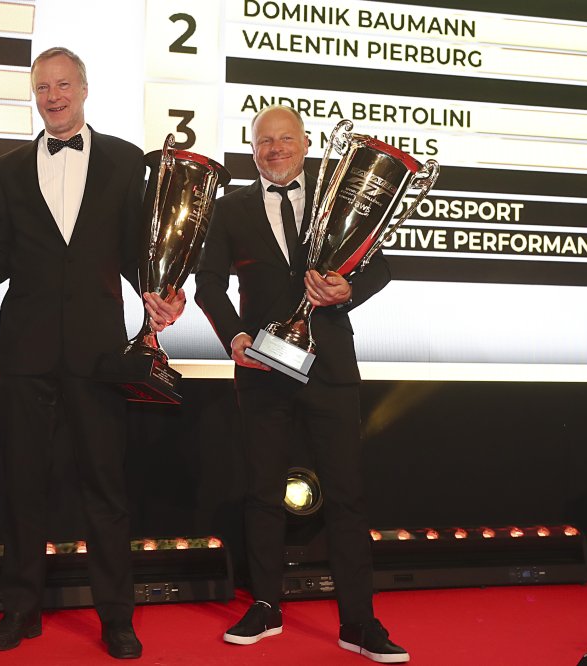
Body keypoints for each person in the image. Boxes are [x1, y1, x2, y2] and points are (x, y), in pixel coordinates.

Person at [0, 46, 183, 660]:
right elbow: (2, 255)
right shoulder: (9, 168)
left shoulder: (126, 159)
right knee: (23, 487)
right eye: (43, 87)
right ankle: (20, 611)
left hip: (98, 352)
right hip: (27, 349)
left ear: (84, 89)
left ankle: (117, 618)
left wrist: (160, 290)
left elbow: (135, 250)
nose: (54, 97)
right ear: (34, 95)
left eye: (64, 85)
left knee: (105, 488)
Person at [194, 105, 409, 663]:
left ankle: (358, 622)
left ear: (306, 142)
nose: (275, 149)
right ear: (252, 149)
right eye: (264, 141)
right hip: (262, 369)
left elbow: (379, 267)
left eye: (285, 139)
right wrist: (235, 336)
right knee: (262, 493)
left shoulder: (336, 200)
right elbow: (208, 284)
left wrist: (348, 291)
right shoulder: (230, 208)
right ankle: (265, 607)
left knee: (347, 496)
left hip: (330, 368)